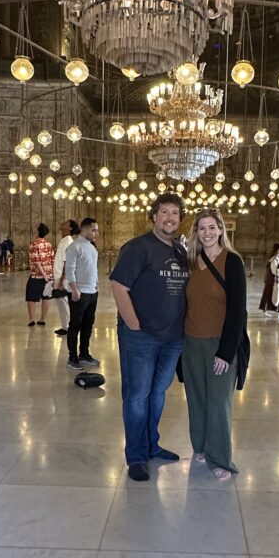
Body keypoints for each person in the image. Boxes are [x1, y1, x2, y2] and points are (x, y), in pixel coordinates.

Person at [110, 192, 189, 482]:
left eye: (175, 213)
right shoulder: (138, 247)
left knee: (157, 394)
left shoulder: (180, 250)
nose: (170, 218)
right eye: (164, 212)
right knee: (137, 396)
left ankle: (152, 446)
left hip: (173, 338)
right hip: (141, 337)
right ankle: (136, 456)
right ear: (154, 216)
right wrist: (134, 326)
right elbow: (118, 286)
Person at [182, 209, 248, 481]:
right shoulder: (191, 261)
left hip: (220, 343)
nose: (207, 233)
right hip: (191, 341)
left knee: (219, 402)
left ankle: (220, 458)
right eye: (201, 228)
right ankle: (200, 447)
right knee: (197, 398)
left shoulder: (232, 262)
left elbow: (237, 310)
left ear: (221, 230)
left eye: (212, 228)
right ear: (196, 232)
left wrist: (225, 352)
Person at [65, 217, 100, 370]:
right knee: (75, 325)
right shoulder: (74, 247)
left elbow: (93, 268)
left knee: (88, 325)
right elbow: (69, 270)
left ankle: (84, 354)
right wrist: (74, 290)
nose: (96, 233)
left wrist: (96, 285)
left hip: (92, 292)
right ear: (84, 230)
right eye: (94, 230)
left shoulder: (91, 247)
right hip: (79, 292)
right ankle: (72, 357)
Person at [52, 219, 79, 335]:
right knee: (60, 302)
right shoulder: (64, 240)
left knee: (63, 302)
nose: (62, 224)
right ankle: (65, 325)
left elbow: (66, 261)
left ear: (70, 228)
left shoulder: (68, 241)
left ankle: (68, 326)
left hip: (62, 277)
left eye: (65, 223)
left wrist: (62, 280)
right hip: (59, 275)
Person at [26, 223, 54, 327]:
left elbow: (36, 262)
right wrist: (49, 275)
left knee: (31, 297)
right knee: (46, 297)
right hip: (49, 274)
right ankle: (42, 319)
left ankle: (31, 319)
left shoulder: (34, 244)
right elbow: (52, 260)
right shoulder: (49, 244)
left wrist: (43, 274)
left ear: (38, 231)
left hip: (36, 275)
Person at [259, 243, 279, 321]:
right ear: (277, 250)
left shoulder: (277, 258)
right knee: (269, 295)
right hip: (272, 281)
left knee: (272, 295)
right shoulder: (274, 259)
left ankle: (277, 312)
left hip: (273, 281)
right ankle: (268, 310)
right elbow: (275, 271)